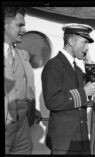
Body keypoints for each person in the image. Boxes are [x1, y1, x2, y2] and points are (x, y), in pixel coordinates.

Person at [41, 23, 95, 154]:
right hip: (64, 142)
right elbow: (52, 101)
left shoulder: (76, 68)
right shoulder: (54, 65)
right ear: (71, 41)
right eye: (84, 43)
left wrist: (88, 61)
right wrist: (83, 92)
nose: (87, 48)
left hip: (81, 139)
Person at [4, 7, 41, 154]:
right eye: (20, 25)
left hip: (22, 124)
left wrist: (30, 108)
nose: (24, 30)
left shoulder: (23, 55)